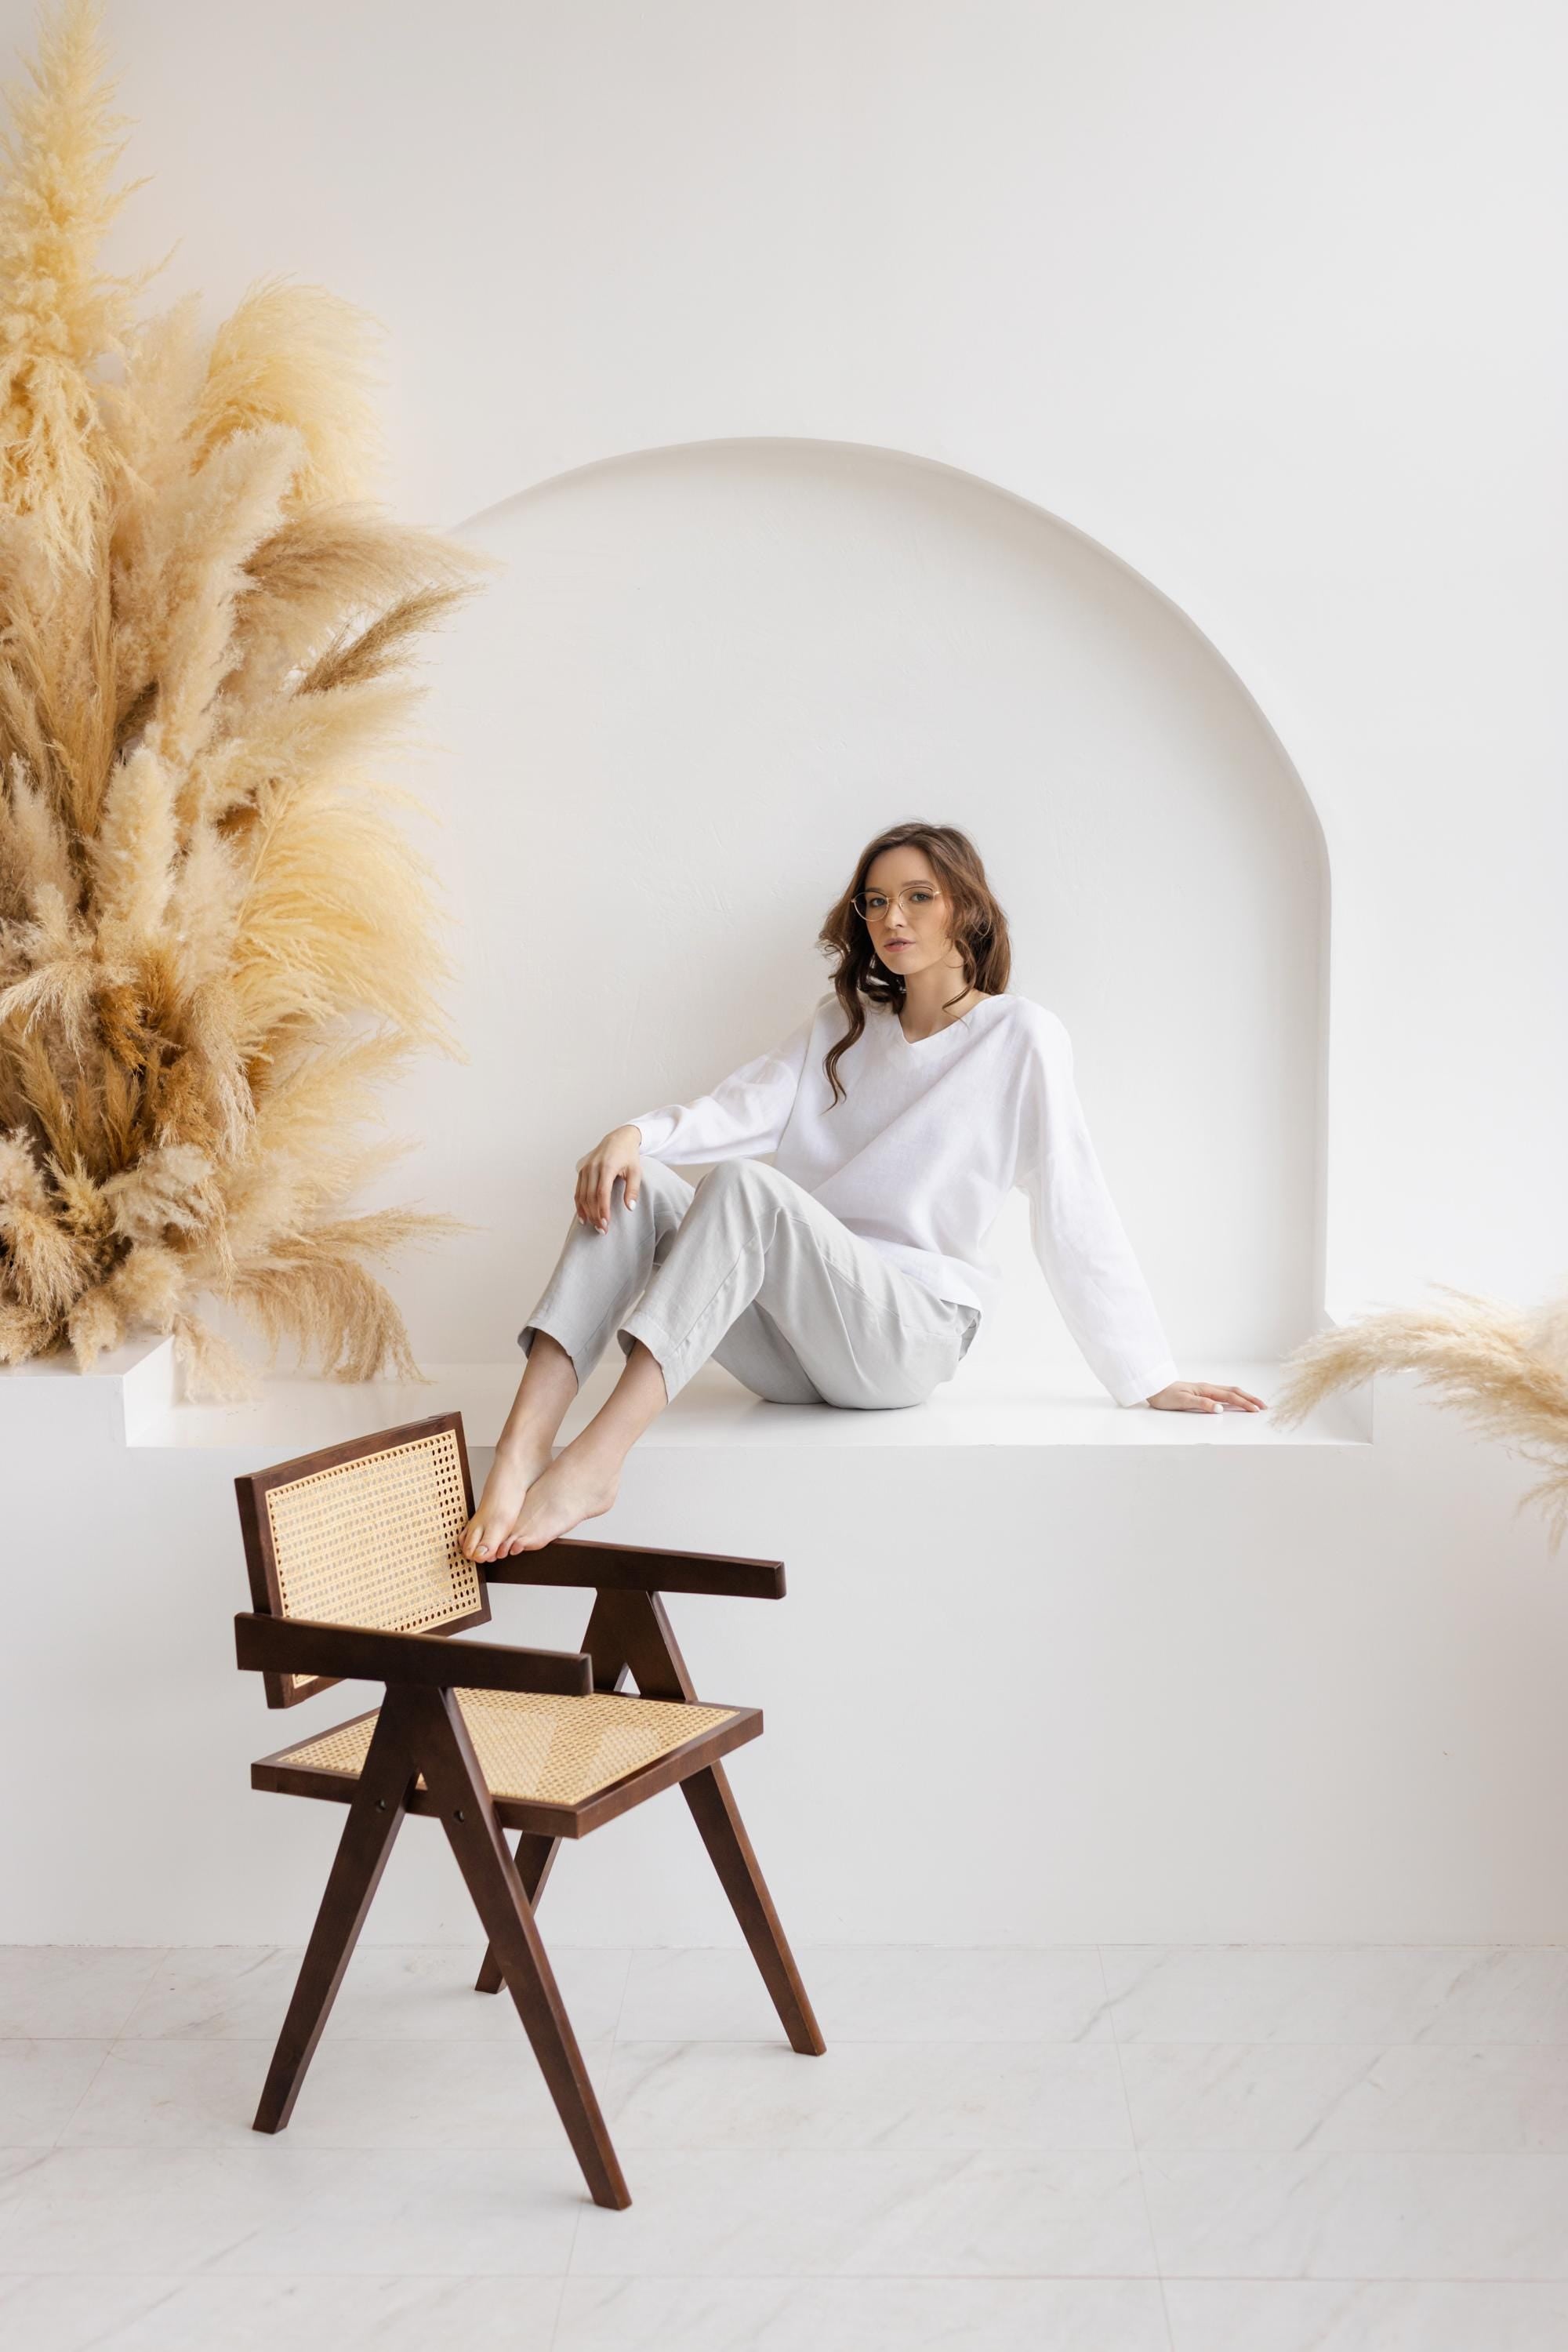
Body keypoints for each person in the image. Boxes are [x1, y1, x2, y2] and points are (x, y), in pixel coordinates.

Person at [461, 822, 1265, 1563]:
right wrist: (634, 1136)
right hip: (796, 1351)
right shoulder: (841, 1025)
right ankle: (525, 1446)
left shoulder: (1018, 1035)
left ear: (966, 909)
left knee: (744, 1189)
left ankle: (596, 1462)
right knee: (635, 1185)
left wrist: (1145, 1373)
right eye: (875, 902)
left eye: (918, 896)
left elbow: (1072, 1200)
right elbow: (735, 1110)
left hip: (906, 1336)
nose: (892, 918)